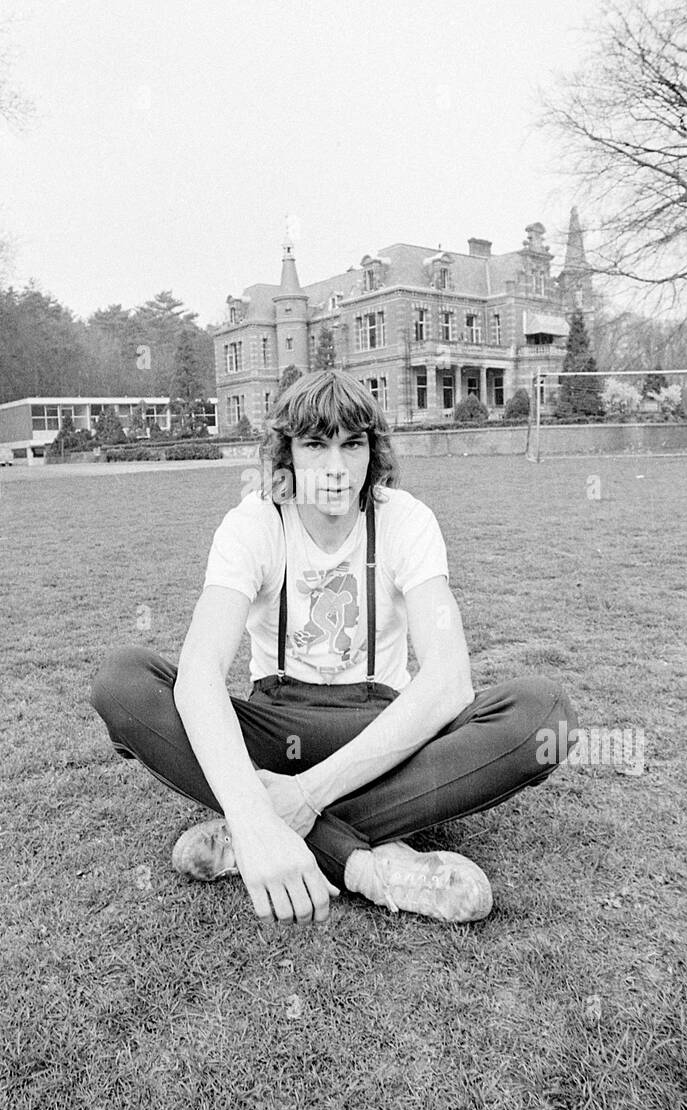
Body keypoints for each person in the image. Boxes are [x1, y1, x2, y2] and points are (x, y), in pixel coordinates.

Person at [90, 370, 578, 928]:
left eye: (353, 444)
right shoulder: (253, 523)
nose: (335, 468)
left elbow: (448, 679)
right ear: (288, 455)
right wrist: (257, 817)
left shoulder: (406, 520)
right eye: (316, 445)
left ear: (374, 453)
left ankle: (269, 829)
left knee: (545, 714)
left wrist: (299, 798)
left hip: (378, 731)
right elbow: (200, 673)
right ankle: (369, 866)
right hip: (274, 726)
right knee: (124, 680)